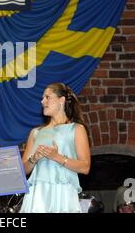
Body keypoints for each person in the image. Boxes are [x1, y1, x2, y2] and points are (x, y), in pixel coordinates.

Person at [19, 82, 91, 213]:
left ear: (61, 100)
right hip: (38, 196)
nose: (42, 101)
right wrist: (33, 159)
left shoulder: (76, 129)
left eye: (47, 97)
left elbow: (85, 167)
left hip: (63, 194)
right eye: (43, 98)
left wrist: (58, 157)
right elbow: (22, 170)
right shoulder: (35, 133)